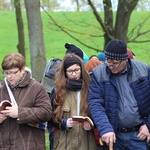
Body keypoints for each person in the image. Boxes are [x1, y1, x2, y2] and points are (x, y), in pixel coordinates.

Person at [88, 39, 150, 150]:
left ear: (125, 59)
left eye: (115, 63)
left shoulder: (143, 70)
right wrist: (105, 129)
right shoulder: (98, 74)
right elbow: (95, 104)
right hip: (114, 135)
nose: (110, 66)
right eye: (108, 61)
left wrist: (148, 125)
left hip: (140, 134)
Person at [0, 52, 52, 150]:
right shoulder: (1, 89)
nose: (9, 76)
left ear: (23, 70)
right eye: (6, 73)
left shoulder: (36, 88)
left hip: (29, 145)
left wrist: (20, 113)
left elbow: (46, 112)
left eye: (13, 72)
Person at [49, 53, 96, 150]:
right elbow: (49, 116)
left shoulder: (91, 89)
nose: (74, 74)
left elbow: (99, 112)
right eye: (70, 71)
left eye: (76, 70)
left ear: (82, 70)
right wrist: (64, 123)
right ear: (64, 72)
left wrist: (92, 124)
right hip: (63, 143)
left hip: (86, 142)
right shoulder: (58, 91)